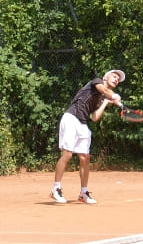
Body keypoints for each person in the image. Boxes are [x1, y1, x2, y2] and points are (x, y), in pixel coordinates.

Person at [50, 69, 125, 204]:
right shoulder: (96, 82)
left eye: (118, 80)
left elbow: (95, 117)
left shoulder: (104, 97)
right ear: (106, 77)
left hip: (82, 123)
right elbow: (104, 91)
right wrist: (114, 96)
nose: (116, 80)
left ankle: (83, 193)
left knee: (85, 157)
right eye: (114, 76)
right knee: (67, 154)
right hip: (71, 118)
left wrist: (106, 102)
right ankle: (56, 188)